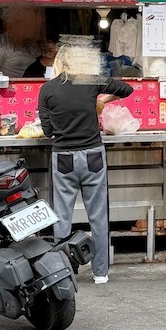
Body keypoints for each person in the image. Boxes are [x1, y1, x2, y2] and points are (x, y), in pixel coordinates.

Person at [38, 43, 133, 284]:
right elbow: (127, 88)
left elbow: (48, 130)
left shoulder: (47, 89)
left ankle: (64, 272)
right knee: (98, 216)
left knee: (61, 217)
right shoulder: (91, 81)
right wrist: (103, 100)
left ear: (59, 62)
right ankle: (100, 273)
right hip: (92, 155)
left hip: (64, 159)